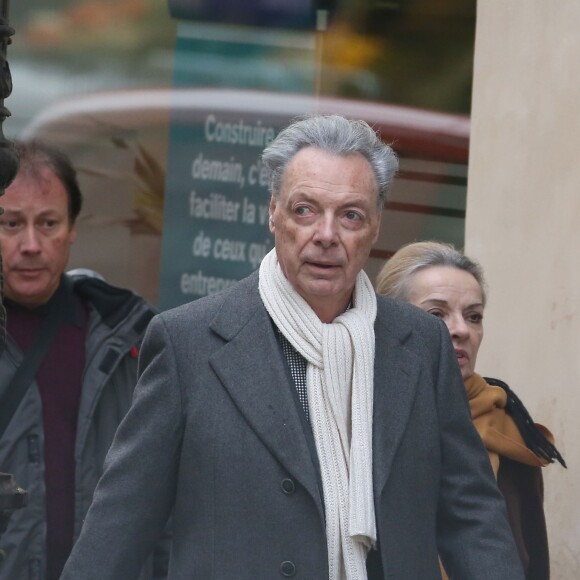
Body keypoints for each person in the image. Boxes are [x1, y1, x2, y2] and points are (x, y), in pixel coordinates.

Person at [61, 115, 524, 579]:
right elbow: (120, 524)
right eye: (305, 210)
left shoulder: (421, 343)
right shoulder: (189, 344)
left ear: (376, 227)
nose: (326, 235)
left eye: (350, 215)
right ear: (273, 213)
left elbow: (470, 515)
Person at [0, 140, 166, 580]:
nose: (31, 244)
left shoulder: (128, 338)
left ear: (73, 228)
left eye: (48, 223)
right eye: (11, 223)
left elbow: (162, 493)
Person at [375, 240, 566, 580]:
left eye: (473, 316)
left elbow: (530, 562)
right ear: (389, 324)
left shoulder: (509, 435)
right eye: (436, 314)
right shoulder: (356, 421)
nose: (461, 330)